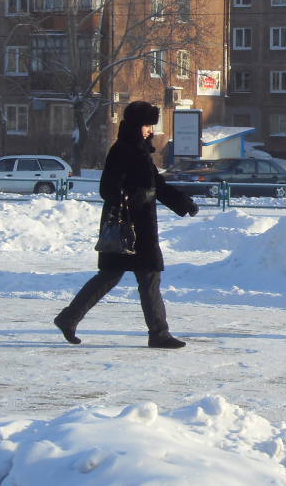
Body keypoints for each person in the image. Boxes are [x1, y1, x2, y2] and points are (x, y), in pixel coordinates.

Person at [54, 101, 198, 349]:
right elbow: (107, 188)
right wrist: (131, 199)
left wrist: (183, 203)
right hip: (127, 227)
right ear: (135, 126)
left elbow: (158, 186)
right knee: (134, 276)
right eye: (146, 125)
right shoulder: (121, 151)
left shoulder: (141, 152)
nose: (150, 131)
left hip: (140, 226)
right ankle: (158, 333)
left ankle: (69, 318)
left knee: (129, 277)